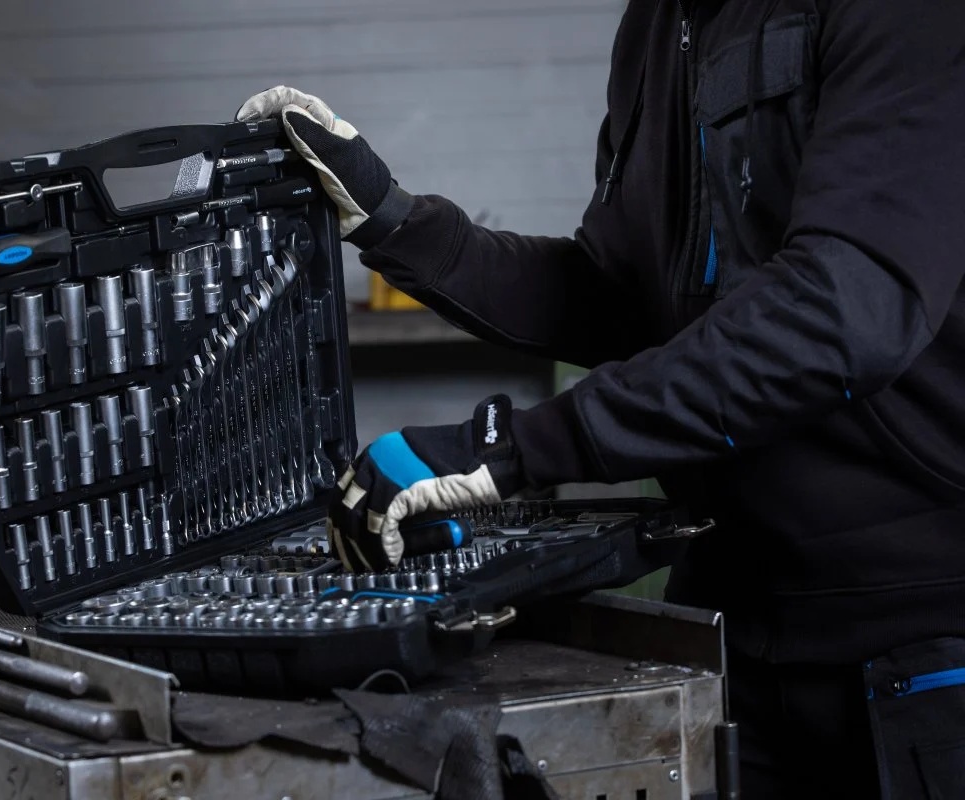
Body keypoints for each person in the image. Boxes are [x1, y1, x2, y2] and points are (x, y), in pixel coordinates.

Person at [237, 2, 965, 797]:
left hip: (921, 640)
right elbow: (615, 296)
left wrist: (514, 448)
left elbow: (844, 308)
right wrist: (397, 224)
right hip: (731, 626)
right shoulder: (659, 22)